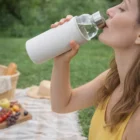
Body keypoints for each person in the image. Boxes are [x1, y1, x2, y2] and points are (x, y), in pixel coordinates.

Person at [50, 0, 140, 139]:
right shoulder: (113, 79)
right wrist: (61, 61)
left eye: (122, 8)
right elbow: (63, 104)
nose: (109, 10)